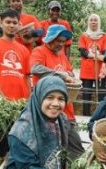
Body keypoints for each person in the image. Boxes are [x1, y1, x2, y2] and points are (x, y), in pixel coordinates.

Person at [29, 24, 84, 158]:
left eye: (63, 41)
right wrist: (61, 75)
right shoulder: (39, 51)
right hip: (47, 110)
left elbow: (69, 71)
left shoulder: (62, 55)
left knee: (75, 147)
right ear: (50, 39)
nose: (61, 44)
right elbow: (35, 68)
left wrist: (70, 76)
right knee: (49, 149)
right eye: (58, 40)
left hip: (66, 110)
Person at [0, 8, 31, 101]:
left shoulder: (25, 50)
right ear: (0, 23)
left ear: (19, 25)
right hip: (1, 100)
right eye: (8, 22)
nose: (11, 25)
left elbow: (27, 77)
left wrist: (29, 98)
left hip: (21, 100)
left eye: (15, 23)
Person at [78, 13, 106, 115]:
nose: (93, 22)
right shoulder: (84, 36)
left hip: (101, 70)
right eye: (91, 20)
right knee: (87, 93)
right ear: (88, 22)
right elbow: (83, 51)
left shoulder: (104, 36)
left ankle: (100, 116)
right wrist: (95, 55)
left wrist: (98, 55)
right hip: (87, 69)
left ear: (98, 22)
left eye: (95, 20)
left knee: (101, 94)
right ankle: (86, 115)